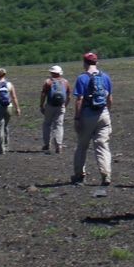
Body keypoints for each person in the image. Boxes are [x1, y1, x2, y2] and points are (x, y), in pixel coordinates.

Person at [72, 52, 114, 186]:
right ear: (96, 62)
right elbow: (109, 98)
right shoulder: (105, 77)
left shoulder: (82, 78)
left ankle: (79, 175)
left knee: (82, 146)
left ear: (84, 63)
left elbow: (79, 100)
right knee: (102, 146)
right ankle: (106, 175)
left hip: (87, 114)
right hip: (103, 113)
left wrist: (77, 118)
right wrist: (107, 111)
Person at [39, 65, 72, 154]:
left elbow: (43, 94)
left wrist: (41, 105)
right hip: (61, 106)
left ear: (52, 73)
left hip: (50, 105)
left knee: (47, 124)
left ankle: (47, 144)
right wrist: (65, 105)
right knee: (59, 125)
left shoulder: (48, 82)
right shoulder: (65, 82)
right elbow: (69, 96)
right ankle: (59, 146)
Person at [0, 68, 21, 154]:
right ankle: (6, 146)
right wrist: (17, 108)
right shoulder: (10, 84)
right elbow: (14, 97)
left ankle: (1, 149)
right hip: (8, 108)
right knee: (6, 126)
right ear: (5, 75)